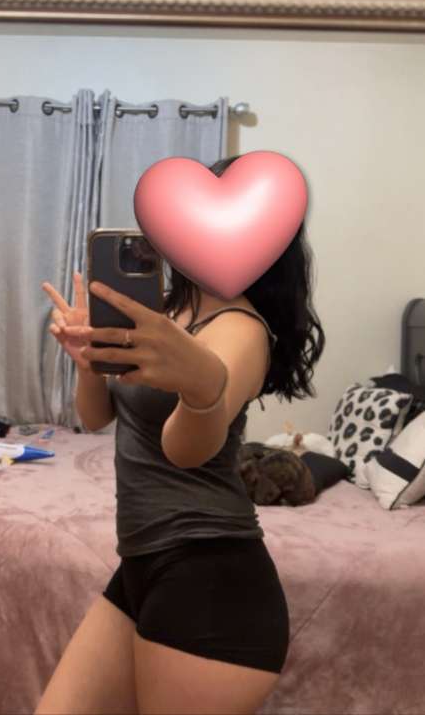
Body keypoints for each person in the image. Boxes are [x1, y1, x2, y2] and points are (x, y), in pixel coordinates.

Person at [35, 155, 325, 715]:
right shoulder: (168, 313)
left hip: (211, 579)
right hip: (143, 564)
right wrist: (87, 358)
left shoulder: (240, 330)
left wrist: (202, 388)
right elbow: (97, 419)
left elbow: (186, 449)